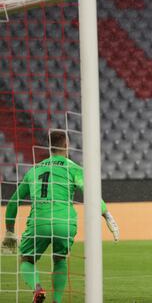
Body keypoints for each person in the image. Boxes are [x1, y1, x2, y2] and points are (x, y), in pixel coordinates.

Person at [1, 130, 119, 303]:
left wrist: (10, 231)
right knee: (60, 258)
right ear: (66, 145)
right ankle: (57, 300)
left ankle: (37, 289)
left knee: (27, 259)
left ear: (49, 147)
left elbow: (12, 203)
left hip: (39, 222)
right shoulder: (73, 168)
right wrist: (106, 213)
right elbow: (91, 193)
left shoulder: (33, 171)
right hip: (65, 222)